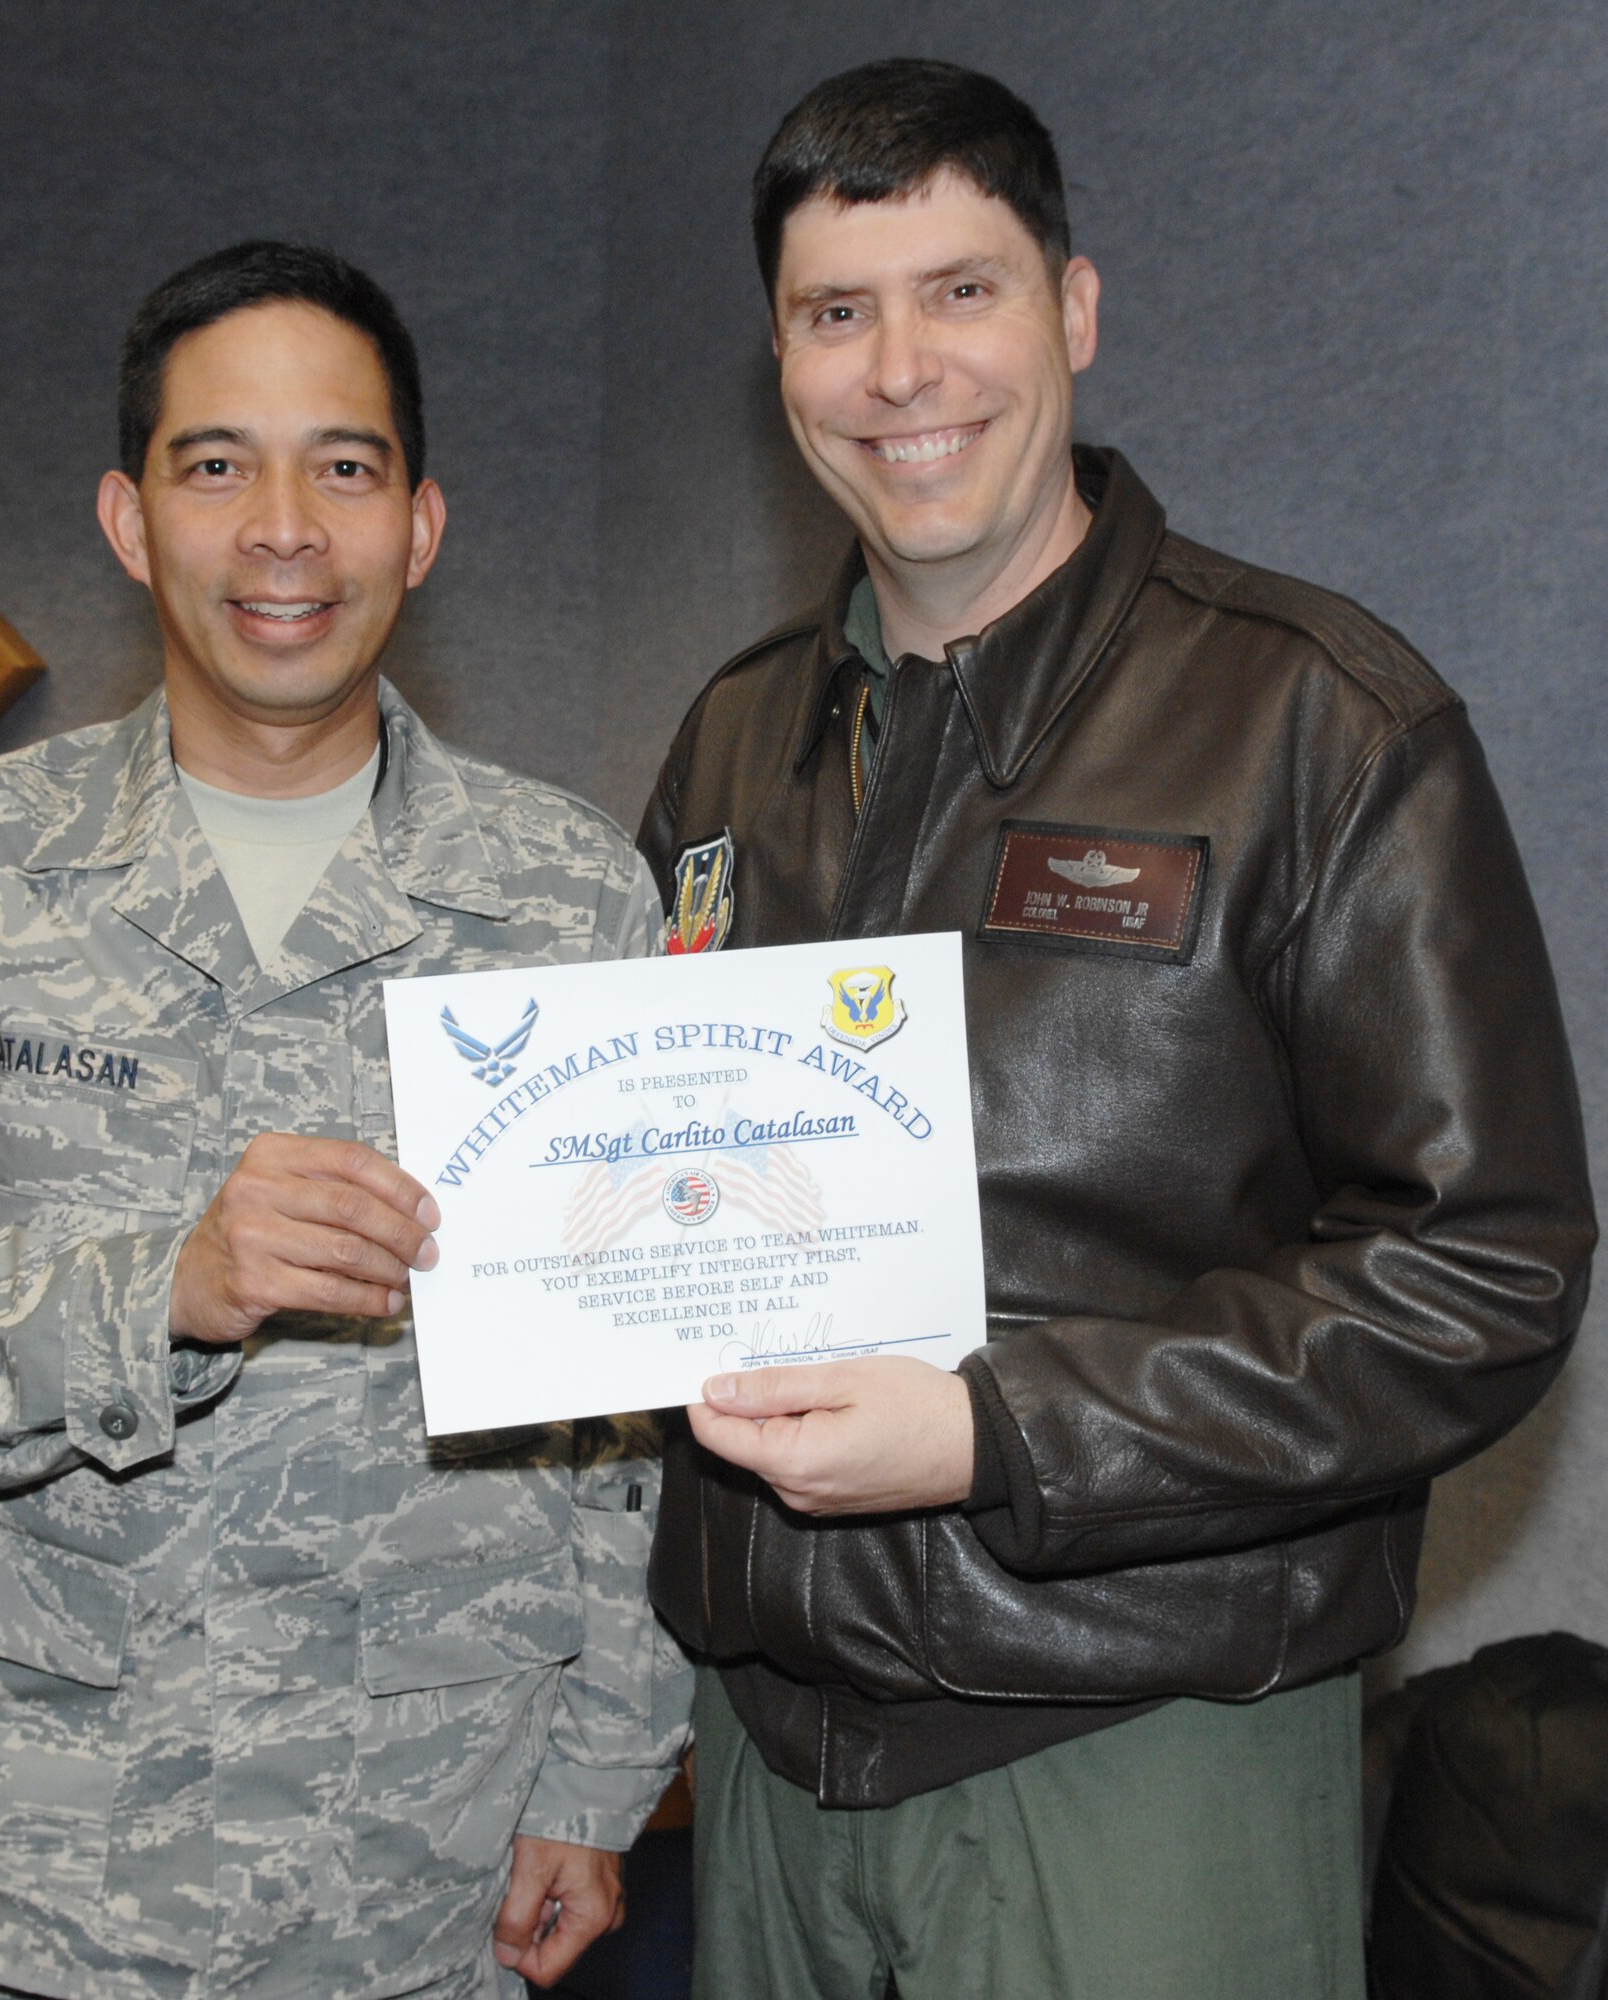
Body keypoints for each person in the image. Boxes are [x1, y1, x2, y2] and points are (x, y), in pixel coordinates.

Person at [637, 58, 1596, 2000]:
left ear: (1072, 309)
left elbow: (1479, 1269)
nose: (902, 368)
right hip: (759, 1761)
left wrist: (992, 1429)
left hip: (1134, 1746)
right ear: (780, 360)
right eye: (838, 312)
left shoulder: (1316, 720)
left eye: (961, 290)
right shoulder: (735, 735)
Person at [0, 239, 690, 2000]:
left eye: (347, 465)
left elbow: (621, 1406)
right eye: (216, 464)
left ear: (423, 525)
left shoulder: (564, 895)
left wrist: (602, 1773)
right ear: (127, 518)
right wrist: (152, 1287)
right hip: (6, 1880)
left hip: (412, 1872)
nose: (285, 526)